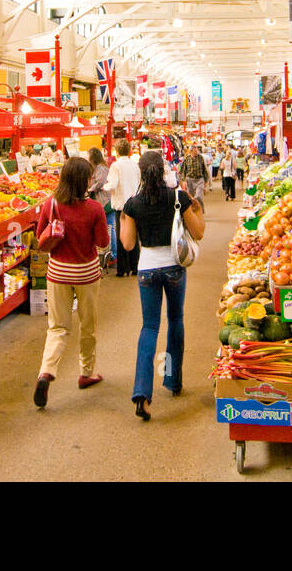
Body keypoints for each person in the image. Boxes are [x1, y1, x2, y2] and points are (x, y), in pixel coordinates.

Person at [120, 151, 205, 421]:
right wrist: (198, 210)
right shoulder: (178, 198)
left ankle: (142, 394)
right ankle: (172, 379)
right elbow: (199, 232)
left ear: (142, 173)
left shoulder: (133, 204)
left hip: (147, 269)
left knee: (149, 328)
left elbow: (128, 244)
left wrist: (123, 219)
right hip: (174, 267)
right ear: (163, 170)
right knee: (175, 320)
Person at [32, 157, 110, 408]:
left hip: (58, 272)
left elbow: (40, 237)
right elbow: (103, 242)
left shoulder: (51, 203)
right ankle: (86, 372)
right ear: (84, 181)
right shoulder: (94, 209)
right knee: (88, 326)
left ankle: (46, 372)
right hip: (86, 273)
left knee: (57, 327)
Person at [105, 140, 141, 277]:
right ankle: (135, 266)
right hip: (134, 204)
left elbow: (112, 184)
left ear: (117, 152)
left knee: (122, 236)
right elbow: (139, 182)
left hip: (121, 206)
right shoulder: (134, 165)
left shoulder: (116, 166)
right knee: (134, 235)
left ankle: (122, 269)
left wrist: (104, 187)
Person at [87, 147, 115, 267]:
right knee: (108, 227)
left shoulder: (101, 169)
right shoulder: (98, 168)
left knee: (109, 228)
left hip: (105, 202)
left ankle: (113, 254)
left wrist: (89, 189)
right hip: (102, 201)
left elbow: (99, 183)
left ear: (93, 158)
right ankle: (108, 253)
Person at [180, 144, 209, 214]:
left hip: (200, 179)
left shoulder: (200, 158)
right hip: (190, 179)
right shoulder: (187, 159)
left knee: (198, 196)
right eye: (195, 151)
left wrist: (206, 181)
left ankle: (200, 210)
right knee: (191, 197)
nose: (197, 152)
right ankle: (193, 211)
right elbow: (183, 170)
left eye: (197, 151)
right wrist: (183, 180)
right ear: (191, 151)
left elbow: (204, 169)